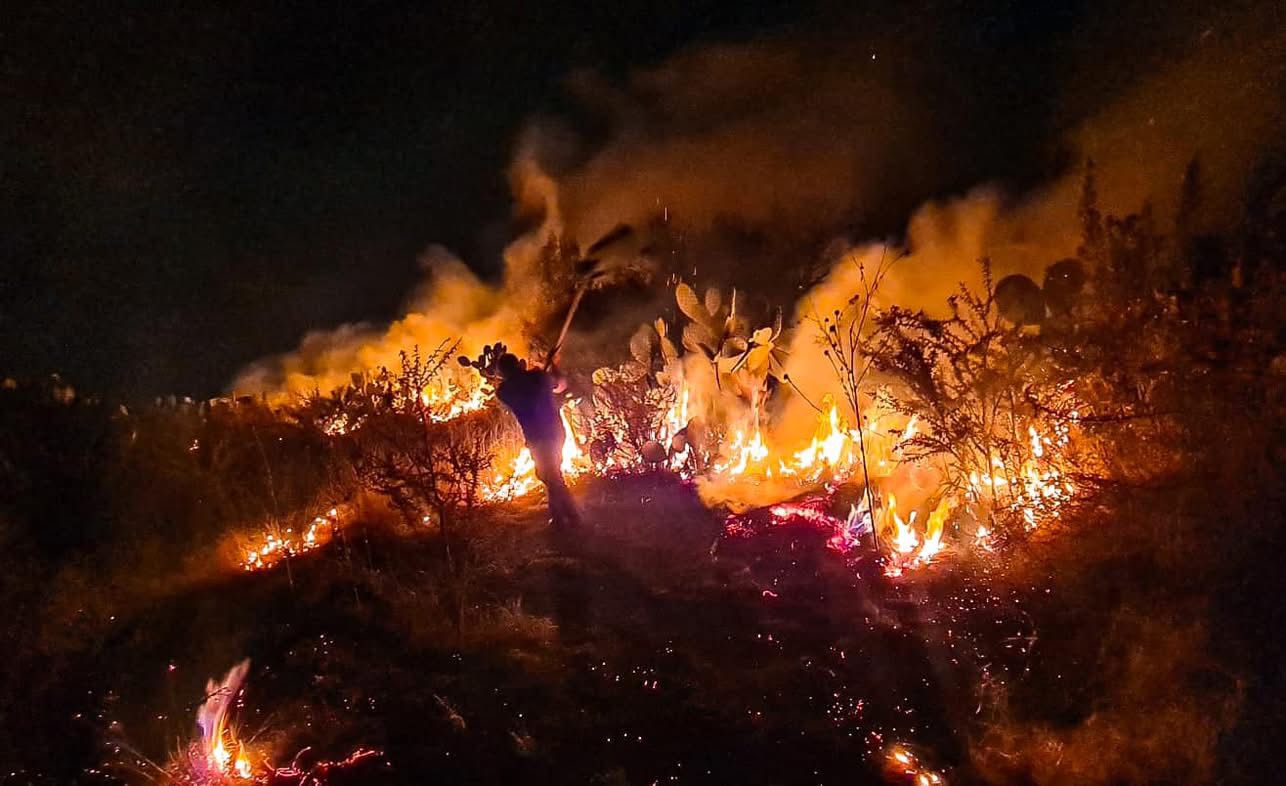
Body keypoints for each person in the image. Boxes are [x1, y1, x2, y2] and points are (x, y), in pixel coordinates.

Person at [466, 345, 580, 531]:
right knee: (551, 475)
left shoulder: (505, 391)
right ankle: (565, 516)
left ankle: (566, 517)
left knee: (550, 476)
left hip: (537, 437)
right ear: (519, 365)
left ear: (503, 374)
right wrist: (552, 364)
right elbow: (561, 385)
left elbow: (513, 388)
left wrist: (540, 373)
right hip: (554, 431)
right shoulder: (537, 377)